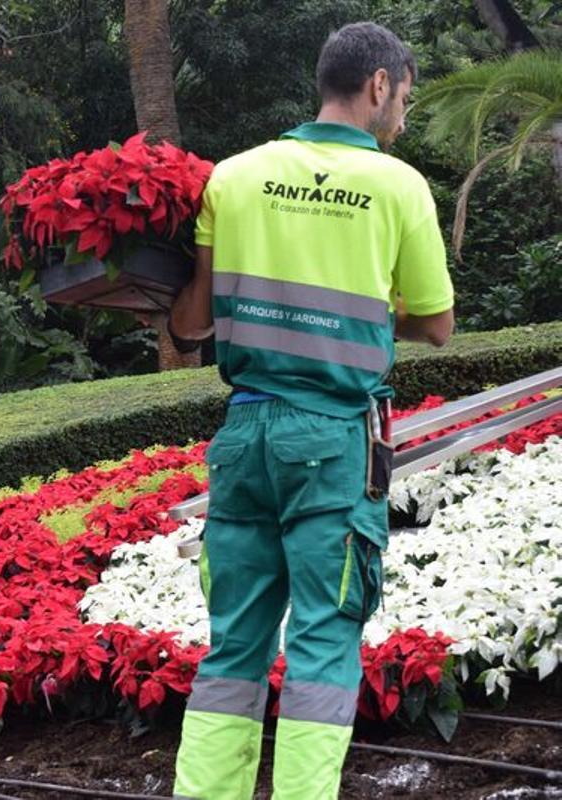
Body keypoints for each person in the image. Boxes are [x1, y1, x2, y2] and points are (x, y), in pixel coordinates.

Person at [166, 22, 454, 799]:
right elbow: (436, 323)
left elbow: (192, 324)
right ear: (379, 86)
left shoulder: (234, 175)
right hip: (331, 439)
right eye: (406, 96)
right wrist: (354, 318)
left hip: (245, 434)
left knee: (232, 649)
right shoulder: (398, 185)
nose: (404, 114)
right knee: (325, 643)